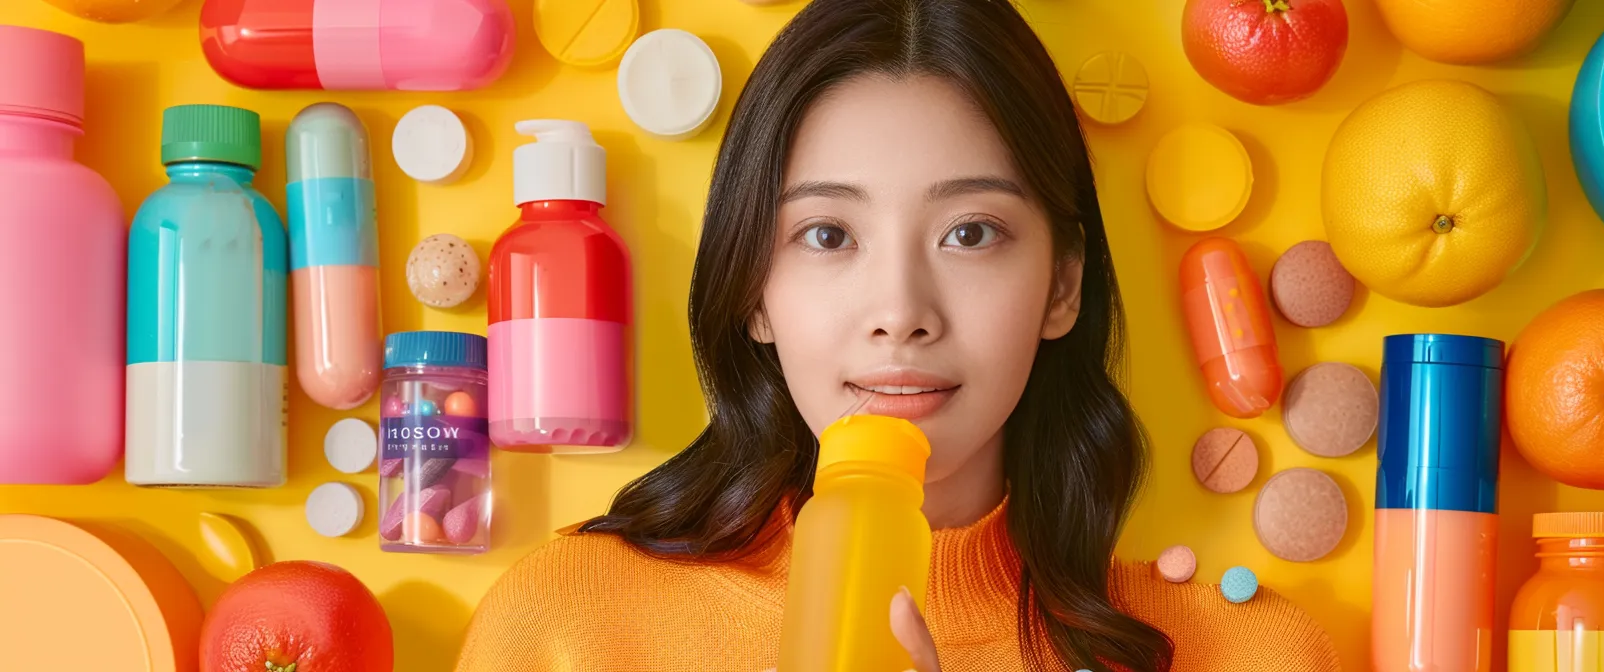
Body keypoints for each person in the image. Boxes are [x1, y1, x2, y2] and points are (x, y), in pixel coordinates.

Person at [455, 0, 1338, 669]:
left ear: (1062, 285)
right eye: (828, 235)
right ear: (754, 290)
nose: (900, 310)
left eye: (971, 232)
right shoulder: (566, 625)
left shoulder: (1237, 649)